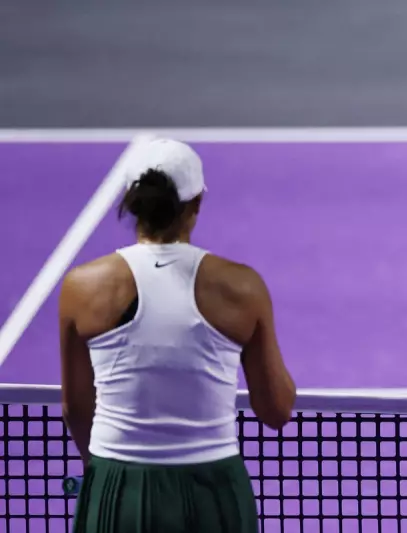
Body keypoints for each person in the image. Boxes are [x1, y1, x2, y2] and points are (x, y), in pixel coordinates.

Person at [58, 137, 297, 532]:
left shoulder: (81, 288)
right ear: (196, 203)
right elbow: (276, 410)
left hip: (116, 490)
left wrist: (107, 471)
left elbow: (77, 408)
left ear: (132, 201)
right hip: (214, 493)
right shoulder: (242, 288)